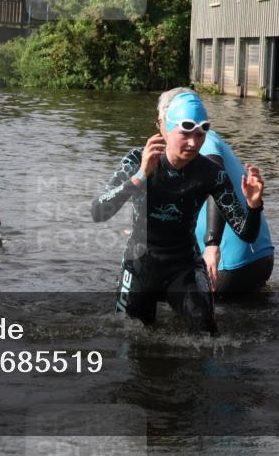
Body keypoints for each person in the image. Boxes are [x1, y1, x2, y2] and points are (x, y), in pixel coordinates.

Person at [91, 88, 265, 334]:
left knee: (207, 335)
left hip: (184, 266)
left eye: (200, 134)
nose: (194, 143)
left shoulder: (212, 174)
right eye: (185, 134)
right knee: (128, 338)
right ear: (164, 127)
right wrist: (141, 176)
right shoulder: (136, 160)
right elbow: (98, 211)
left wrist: (254, 205)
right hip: (140, 264)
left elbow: (246, 234)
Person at [194, 130, 275, 295]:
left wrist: (212, 245)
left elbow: (216, 174)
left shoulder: (200, 140)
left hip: (226, 265)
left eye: (161, 121)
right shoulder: (208, 138)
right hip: (260, 259)